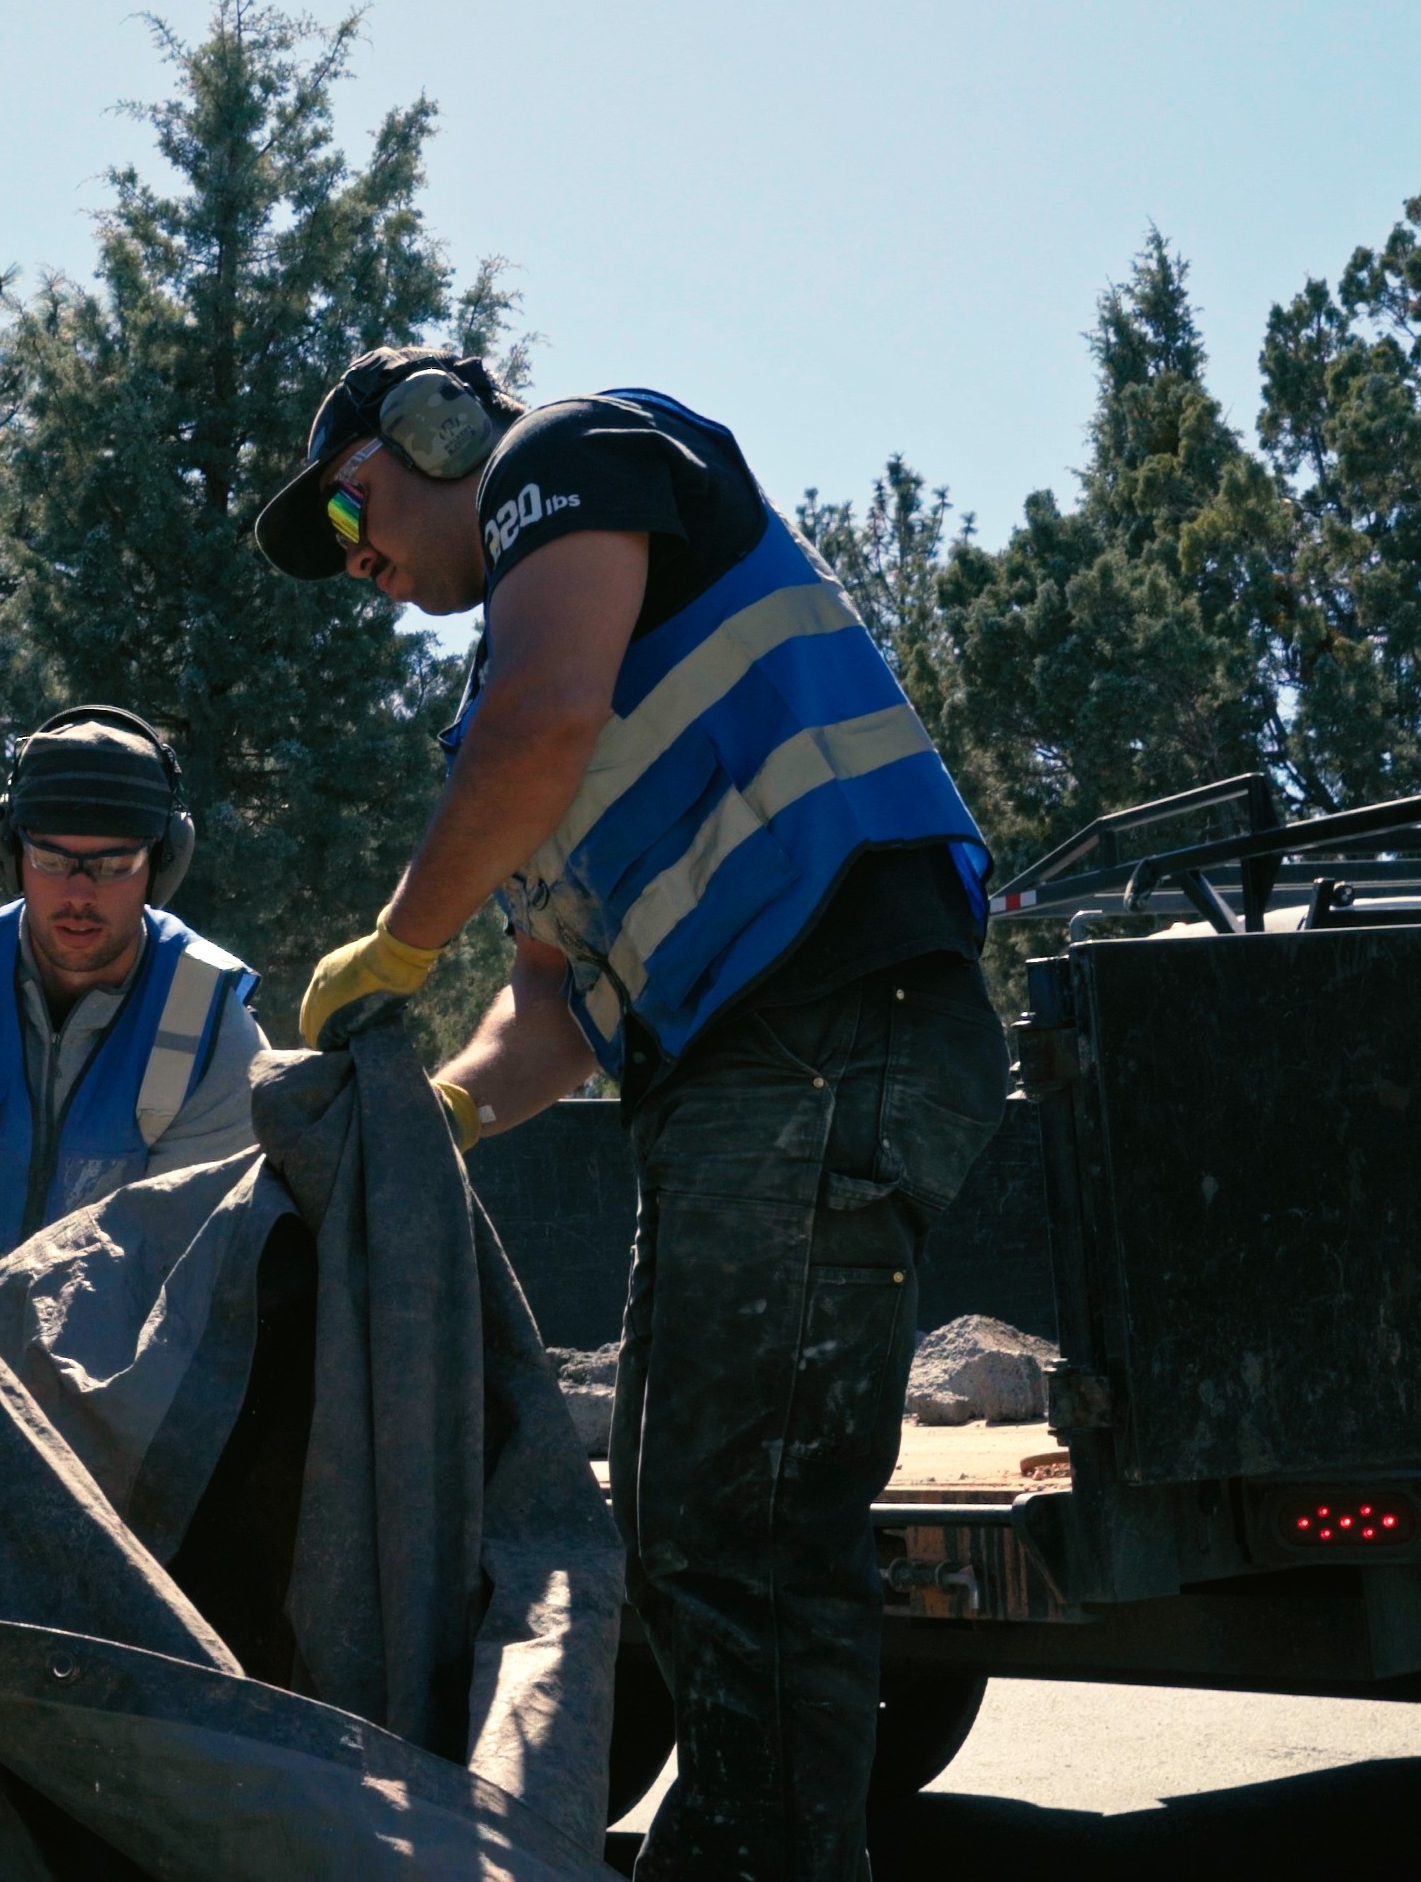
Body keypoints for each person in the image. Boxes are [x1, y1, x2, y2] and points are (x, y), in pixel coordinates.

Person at [250, 347, 1004, 1882]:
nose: (361, 564)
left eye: (353, 511)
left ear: (433, 429)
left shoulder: (574, 456)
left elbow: (543, 725)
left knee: (742, 1530)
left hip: (831, 1023)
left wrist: (397, 942)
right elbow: (555, 999)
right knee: (676, 1524)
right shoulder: (508, 706)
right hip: (744, 1077)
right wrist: (439, 1113)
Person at [0, 706, 265, 1286]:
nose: (78, 893)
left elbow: (178, 1292)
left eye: (115, 864)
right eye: (50, 859)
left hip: (123, 1365)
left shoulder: (216, 1040)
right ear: (11, 855)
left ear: (163, 866)